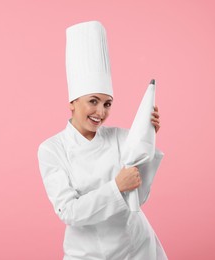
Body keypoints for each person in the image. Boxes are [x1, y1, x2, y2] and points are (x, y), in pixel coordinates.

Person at [37, 21, 168, 260]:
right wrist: (116, 186)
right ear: (72, 102)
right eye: (93, 101)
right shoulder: (52, 149)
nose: (101, 112)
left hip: (135, 247)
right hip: (85, 254)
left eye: (107, 104)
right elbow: (69, 211)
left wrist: (148, 135)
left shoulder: (120, 137)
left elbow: (139, 198)